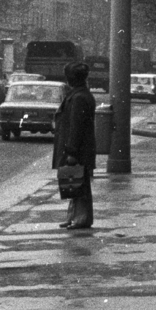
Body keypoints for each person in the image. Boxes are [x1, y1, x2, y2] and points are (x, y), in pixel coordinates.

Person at [52, 60, 98, 230]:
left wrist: (71, 151)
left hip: (77, 149)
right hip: (81, 148)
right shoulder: (80, 95)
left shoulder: (78, 98)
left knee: (80, 183)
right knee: (75, 182)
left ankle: (81, 218)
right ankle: (73, 216)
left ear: (71, 78)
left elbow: (76, 127)